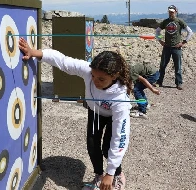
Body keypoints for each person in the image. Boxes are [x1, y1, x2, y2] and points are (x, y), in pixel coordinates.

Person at [19, 37, 132, 190]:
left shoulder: (120, 99)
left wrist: (111, 172)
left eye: (101, 79)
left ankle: (117, 176)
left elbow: (120, 138)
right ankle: (99, 176)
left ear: (114, 76)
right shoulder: (88, 70)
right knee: (92, 145)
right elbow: (64, 61)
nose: (95, 81)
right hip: (96, 112)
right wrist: (35, 53)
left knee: (107, 147)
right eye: (93, 75)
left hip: (113, 116)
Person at [155, 5, 193, 90]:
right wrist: (160, 41)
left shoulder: (179, 21)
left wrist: (183, 42)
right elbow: (157, 31)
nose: (170, 13)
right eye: (169, 12)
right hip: (167, 47)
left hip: (177, 48)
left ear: (176, 12)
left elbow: (190, 32)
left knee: (178, 66)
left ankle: (179, 83)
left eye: (172, 12)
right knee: (163, 65)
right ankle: (159, 82)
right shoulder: (165, 22)